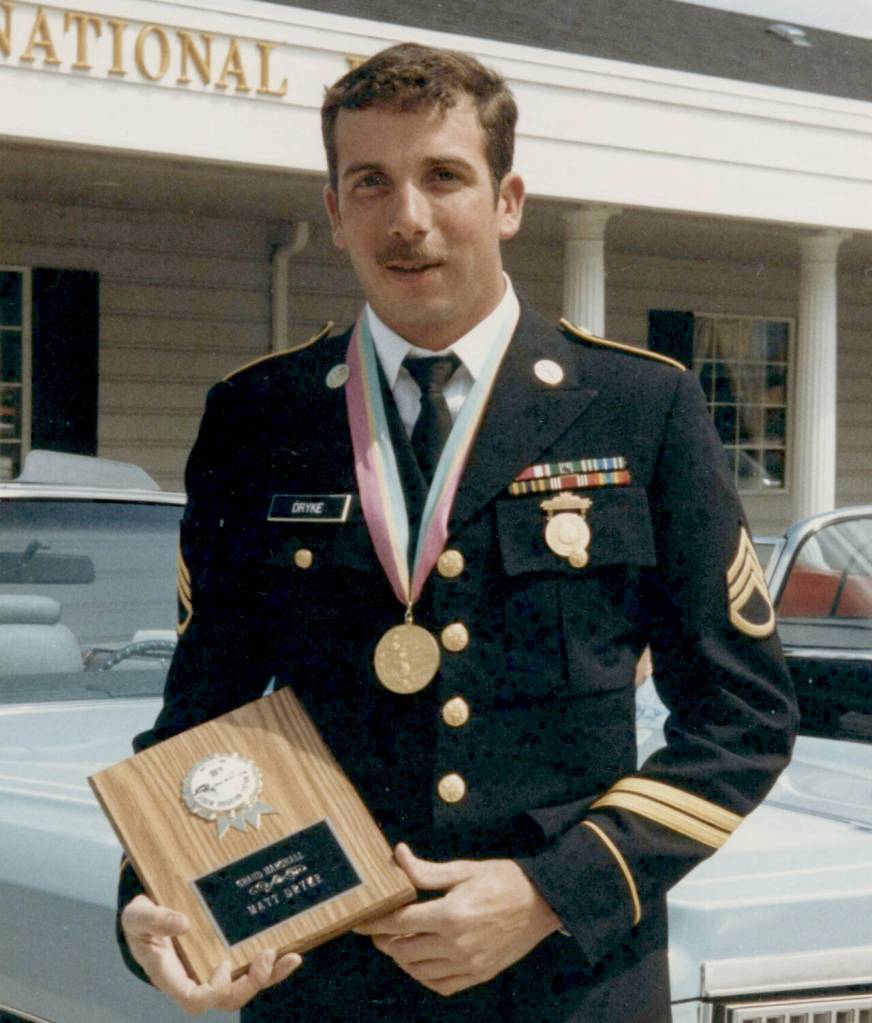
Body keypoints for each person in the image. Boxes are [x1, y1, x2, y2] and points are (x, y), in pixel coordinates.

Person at [117, 42, 796, 1022]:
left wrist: (550, 892)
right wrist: (154, 896)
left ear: (506, 200)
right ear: (333, 212)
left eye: (443, 177)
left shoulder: (638, 407)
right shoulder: (258, 417)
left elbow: (741, 715)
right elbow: (203, 708)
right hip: (327, 985)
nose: (408, 218)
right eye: (371, 183)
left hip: (567, 983)